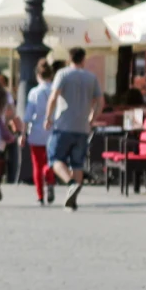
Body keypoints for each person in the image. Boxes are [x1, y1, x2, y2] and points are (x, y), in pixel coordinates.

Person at [44, 47, 103, 211]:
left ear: (70, 58)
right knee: (77, 164)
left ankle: (70, 184)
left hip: (63, 125)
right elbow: (100, 102)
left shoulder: (62, 74)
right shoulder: (92, 77)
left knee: (55, 159)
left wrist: (48, 117)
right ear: (83, 59)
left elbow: (53, 97)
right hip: (82, 127)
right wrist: (92, 118)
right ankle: (73, 200)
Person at [22, 58, 58, 205]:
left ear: (38, 75)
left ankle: (40, 195)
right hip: (53, 131)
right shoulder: (56, 91)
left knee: (37, 164)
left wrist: (23, 134)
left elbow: (27, 116)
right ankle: (50, 180)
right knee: (50, 161)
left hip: (36, 131)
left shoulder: (34, 92)